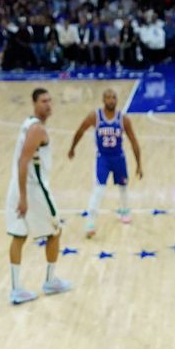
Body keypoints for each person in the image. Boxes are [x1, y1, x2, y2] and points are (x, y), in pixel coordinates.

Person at [7, 88, 71, 305]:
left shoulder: (27, 124)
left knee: (19, 235)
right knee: (55, 231)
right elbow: (23, 161)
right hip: (34, 189)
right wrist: (24, 197)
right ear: (34, 103)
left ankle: (16, 289)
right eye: (44, 101)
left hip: (18, 185)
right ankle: (50, 281)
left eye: (50, 101)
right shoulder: (36, 129)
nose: (48, 105)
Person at [67, 89, 143, 238]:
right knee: (99, 189)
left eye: (114, 97)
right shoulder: (95, 116)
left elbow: (134, 141)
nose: (111, 100)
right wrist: (72, 148)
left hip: (118, 157)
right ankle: (90, 221)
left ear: (117, 100)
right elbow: (80, 131)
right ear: (103, 100)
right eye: (108, 97)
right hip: (103, 158)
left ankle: (125, 209)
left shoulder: (123, 119)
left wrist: (139, 164)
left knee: (123, 186)